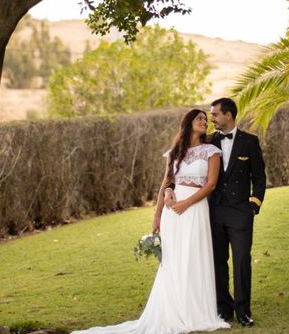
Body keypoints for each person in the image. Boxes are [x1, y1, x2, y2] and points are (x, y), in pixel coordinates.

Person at [73, 109, 230, 334]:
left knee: (194, 256)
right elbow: (166, 181)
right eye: (200, 119)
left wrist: (187, 203)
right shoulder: (175, 152)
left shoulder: (211, 151)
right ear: (188, 124)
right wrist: (157, 214)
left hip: (195, 210)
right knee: (174, 261)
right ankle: (173, 309)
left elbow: (211, 184)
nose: (205, 122)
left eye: (206, 119)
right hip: (171, 214)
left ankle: (196, 312)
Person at [169, 97, 266, 328]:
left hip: (241, 213)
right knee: (217, 262)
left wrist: (254, 205)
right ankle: (224, 309)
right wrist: (170, 189)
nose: (211, 118)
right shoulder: (209, 143)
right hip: (212, 212)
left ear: (228, 115)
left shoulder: (250, 142)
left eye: (215, 114)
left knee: (242, 260)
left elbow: (259, 177)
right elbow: (181, 165)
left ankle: (244, 311)